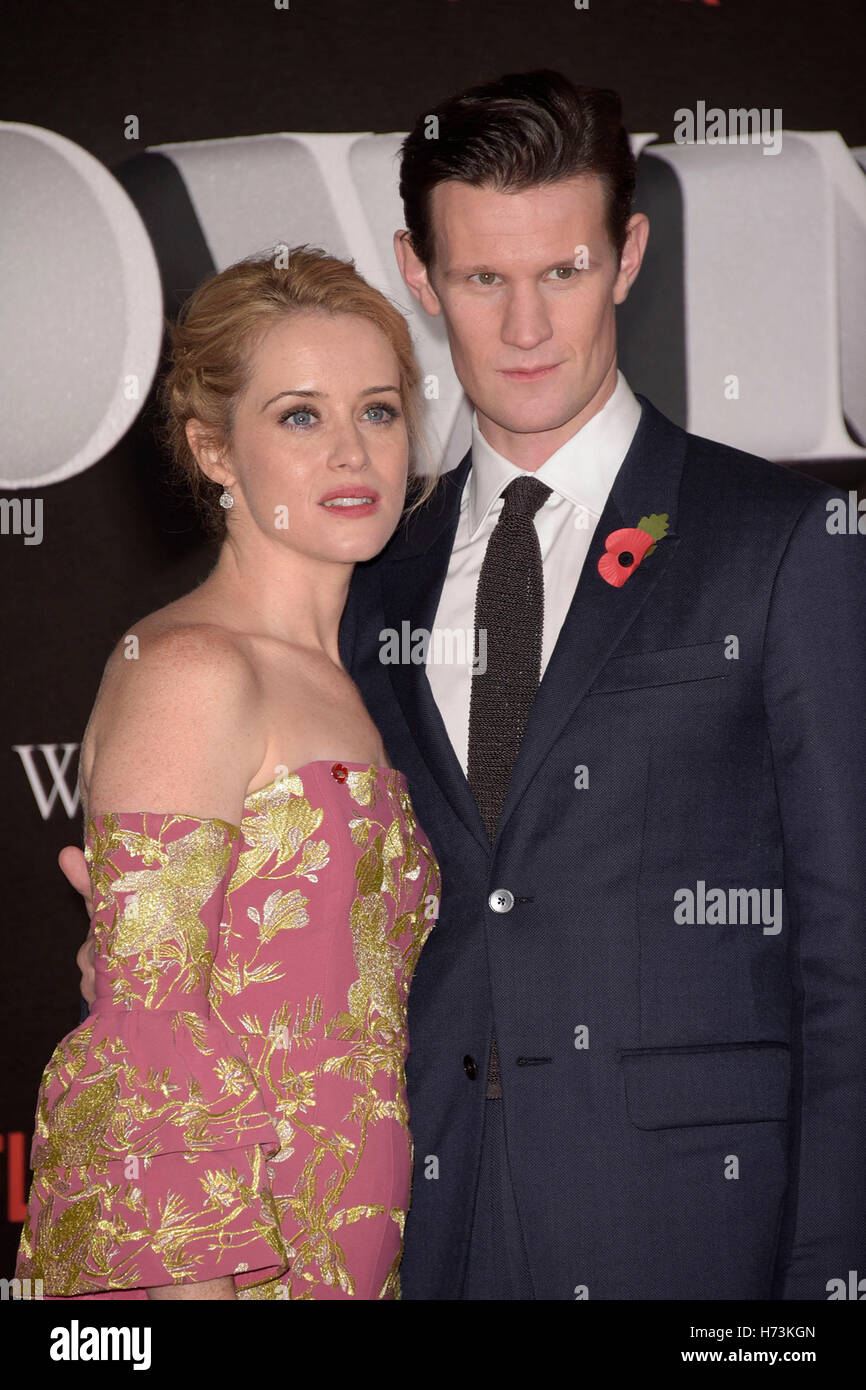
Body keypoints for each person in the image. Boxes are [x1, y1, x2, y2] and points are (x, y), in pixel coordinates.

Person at [67, 69, 866, 1301]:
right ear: (420, 274)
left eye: (562, 271)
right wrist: (160, 958)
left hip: (689, 1239)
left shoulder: (773, 540)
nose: (527, 327)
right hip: (411, 1232)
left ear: (628, 254)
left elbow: (845, 951)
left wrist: (829, 1282)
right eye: (484, 278)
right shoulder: (365, 578)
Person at [16, 246, 441, 1300]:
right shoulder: (192, 670)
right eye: (299, 416)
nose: (352, 450)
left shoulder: (345, 687)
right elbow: (146, 1050)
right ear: (214, 449)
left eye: (378, 411)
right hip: (220, 1277)